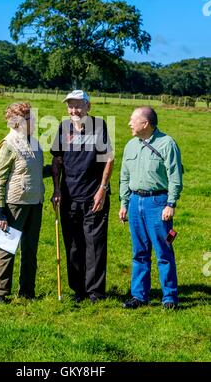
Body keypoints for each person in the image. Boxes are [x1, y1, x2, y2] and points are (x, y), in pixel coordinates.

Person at [51, 90, 114, 303]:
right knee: (73, 245)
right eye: (70, 106)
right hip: (69, 196)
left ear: (89, 106)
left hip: (93, 197)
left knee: (95, 245)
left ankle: (95, 292)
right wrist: (57, 189)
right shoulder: (62, 128)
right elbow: (57, 160)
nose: (74, 110)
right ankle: (78, 290)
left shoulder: (99, 127)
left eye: (78, 105)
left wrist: (102, 189)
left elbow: (109, 160)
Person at [119, 106, 183, 309]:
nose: (129, 123)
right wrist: (124, 202)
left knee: (163, 251)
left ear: (145, 124)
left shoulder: (167, 144)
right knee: (139, 252)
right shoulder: (130, 145)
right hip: (135, 202)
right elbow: (124, 177)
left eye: (132, 120)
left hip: (158, 203)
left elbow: (175, 177)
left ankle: (170, 298)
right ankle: (139, 296)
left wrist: (170, 204)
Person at [0, 102, 44, 302]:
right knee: (6, 248)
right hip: (14, 204)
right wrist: (0, 211)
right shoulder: (9, 144)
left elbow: (36, 172)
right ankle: (1, 292)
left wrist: (57, 168)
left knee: (30, 250)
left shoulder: (36, 143)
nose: (34, 121)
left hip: (35, 202)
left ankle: (27, 291)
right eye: (29, 118)